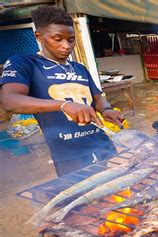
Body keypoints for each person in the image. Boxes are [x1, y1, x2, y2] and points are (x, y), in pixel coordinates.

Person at [1, 6, 123, 176]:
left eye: (71, 40)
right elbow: (10, 100)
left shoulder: (79, 68)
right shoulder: (24, 63)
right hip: (69, 154)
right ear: (39, 36)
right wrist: (64, 105)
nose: (66, 46)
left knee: (117, 190)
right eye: (57, 39)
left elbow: (97, 98)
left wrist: (106, 109)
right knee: (84, 199)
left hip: (102, 144)